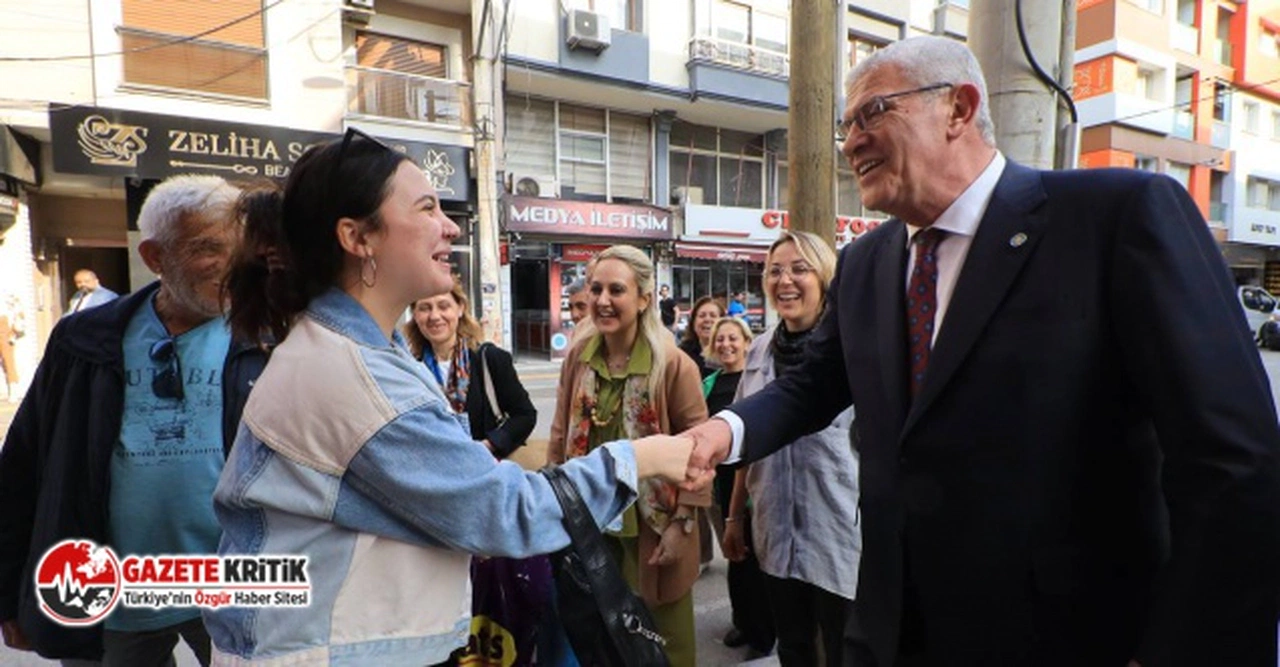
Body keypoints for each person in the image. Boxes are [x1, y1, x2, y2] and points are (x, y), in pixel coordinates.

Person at [683, 35, 1280, 666]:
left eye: (872, 113)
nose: (851, 141)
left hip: (1063, 639)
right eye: (844, 125)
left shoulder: (1115, 219)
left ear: (959, 109)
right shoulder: (864, 265)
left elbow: (1233, 465)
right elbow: (812, 386)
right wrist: (718, 435)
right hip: (890, 632)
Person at [209, 129, 692, 665]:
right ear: (357, 237)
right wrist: (642, 457)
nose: (448, 225)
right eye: (427, 207)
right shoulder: (356, 377)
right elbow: (507, 511)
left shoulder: (361, 350)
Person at [0, 174, 264, 665]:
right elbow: (22, 464)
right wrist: (7, 587)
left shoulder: (266, 340)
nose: (230, 267)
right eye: (208, 247)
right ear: (155, 258)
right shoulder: (84, 340)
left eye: (238, 249)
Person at [547, 244, 709, 667]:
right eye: (595, 288)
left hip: (656, 531)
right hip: (590, 527)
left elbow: (699, 454)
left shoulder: (673, 365)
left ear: (643, 299)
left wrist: (683, 526)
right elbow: (560, 437)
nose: (602, 300)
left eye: (616, 290)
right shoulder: (577, 360)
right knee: (603, 636)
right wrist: (550, 509)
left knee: (665, 641)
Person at [722, 231, 858, 667]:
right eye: (776, 270)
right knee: (794, 647)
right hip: (775, 527)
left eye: (800, 269)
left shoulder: (851, 352)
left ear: (824, 279)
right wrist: (733, 517)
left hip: (840, 531)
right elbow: (749, 441)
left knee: (845, 649)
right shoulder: (760, 349)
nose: (786, 280)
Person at [700, 317, 774, 659]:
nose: (726, 345)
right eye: (721, 339)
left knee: (758, 560)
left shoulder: (758, 381)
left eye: (733, 338)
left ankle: (763, 634)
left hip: (754, 479)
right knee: (735, 556)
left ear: (747, 342)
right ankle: (743, 622)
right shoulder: (709, 383)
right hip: (722, 484)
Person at [406, 279, 536, 459]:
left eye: (444, 306)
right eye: (425, 308)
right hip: (433, 475)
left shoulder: (490, 359)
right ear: (415, 314)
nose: (434, 316)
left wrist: (489, 445)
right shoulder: (410, 369)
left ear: (460, 309)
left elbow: (525, 416)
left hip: (483, 473)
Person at [678, 296, 725, 379]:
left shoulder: (731, 353)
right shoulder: (682, 354)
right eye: (702, 316)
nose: (707, 319)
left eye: (713, 315)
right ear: (693, 322)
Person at [0, 290, 23, 402]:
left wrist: (13, 333)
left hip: (6, 333)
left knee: (9, 363)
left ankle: (14, 391)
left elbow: (18, 315)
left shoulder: (8, 298)